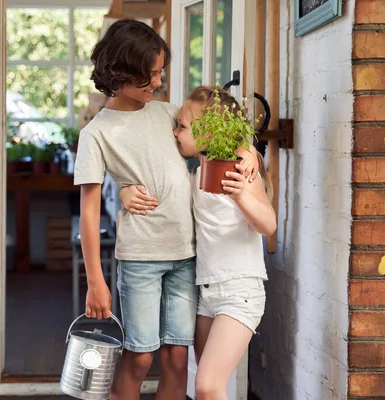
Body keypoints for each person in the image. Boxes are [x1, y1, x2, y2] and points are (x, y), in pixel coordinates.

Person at [74, 19, 258, 399]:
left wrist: (249, 150)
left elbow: (219, 133)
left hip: (187, 256)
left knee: (177, 358)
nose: (158, 82)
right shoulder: (96, 133)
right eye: (150, 75)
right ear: (122, 72)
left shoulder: (168, 113)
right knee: (140, 358)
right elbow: (89, 213)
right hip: (141, 259)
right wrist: (96, 282)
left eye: (160, 73)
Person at [120, 86, 276, 400]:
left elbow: (269, 225)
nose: (175, 132)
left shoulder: (239, 172)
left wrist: (242, 194)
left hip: (239, 291)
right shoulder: (195, 176)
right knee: (208, 386)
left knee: (207, 386)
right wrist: (126, 191)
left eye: (182, 127)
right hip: (206, 293)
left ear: (207, 132)